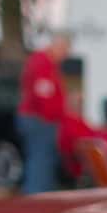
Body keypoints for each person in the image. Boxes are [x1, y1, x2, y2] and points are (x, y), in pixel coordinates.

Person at [16, 32, 71, 193]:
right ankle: (36, 199)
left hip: (39, 120)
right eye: (65, 51)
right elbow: (43, 96)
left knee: (40, 161)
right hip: (40, 121)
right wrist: (54, 118)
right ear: (58, 47)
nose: (65, 56)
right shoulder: (43, 64)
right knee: (40, 163)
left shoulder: (44, 63)